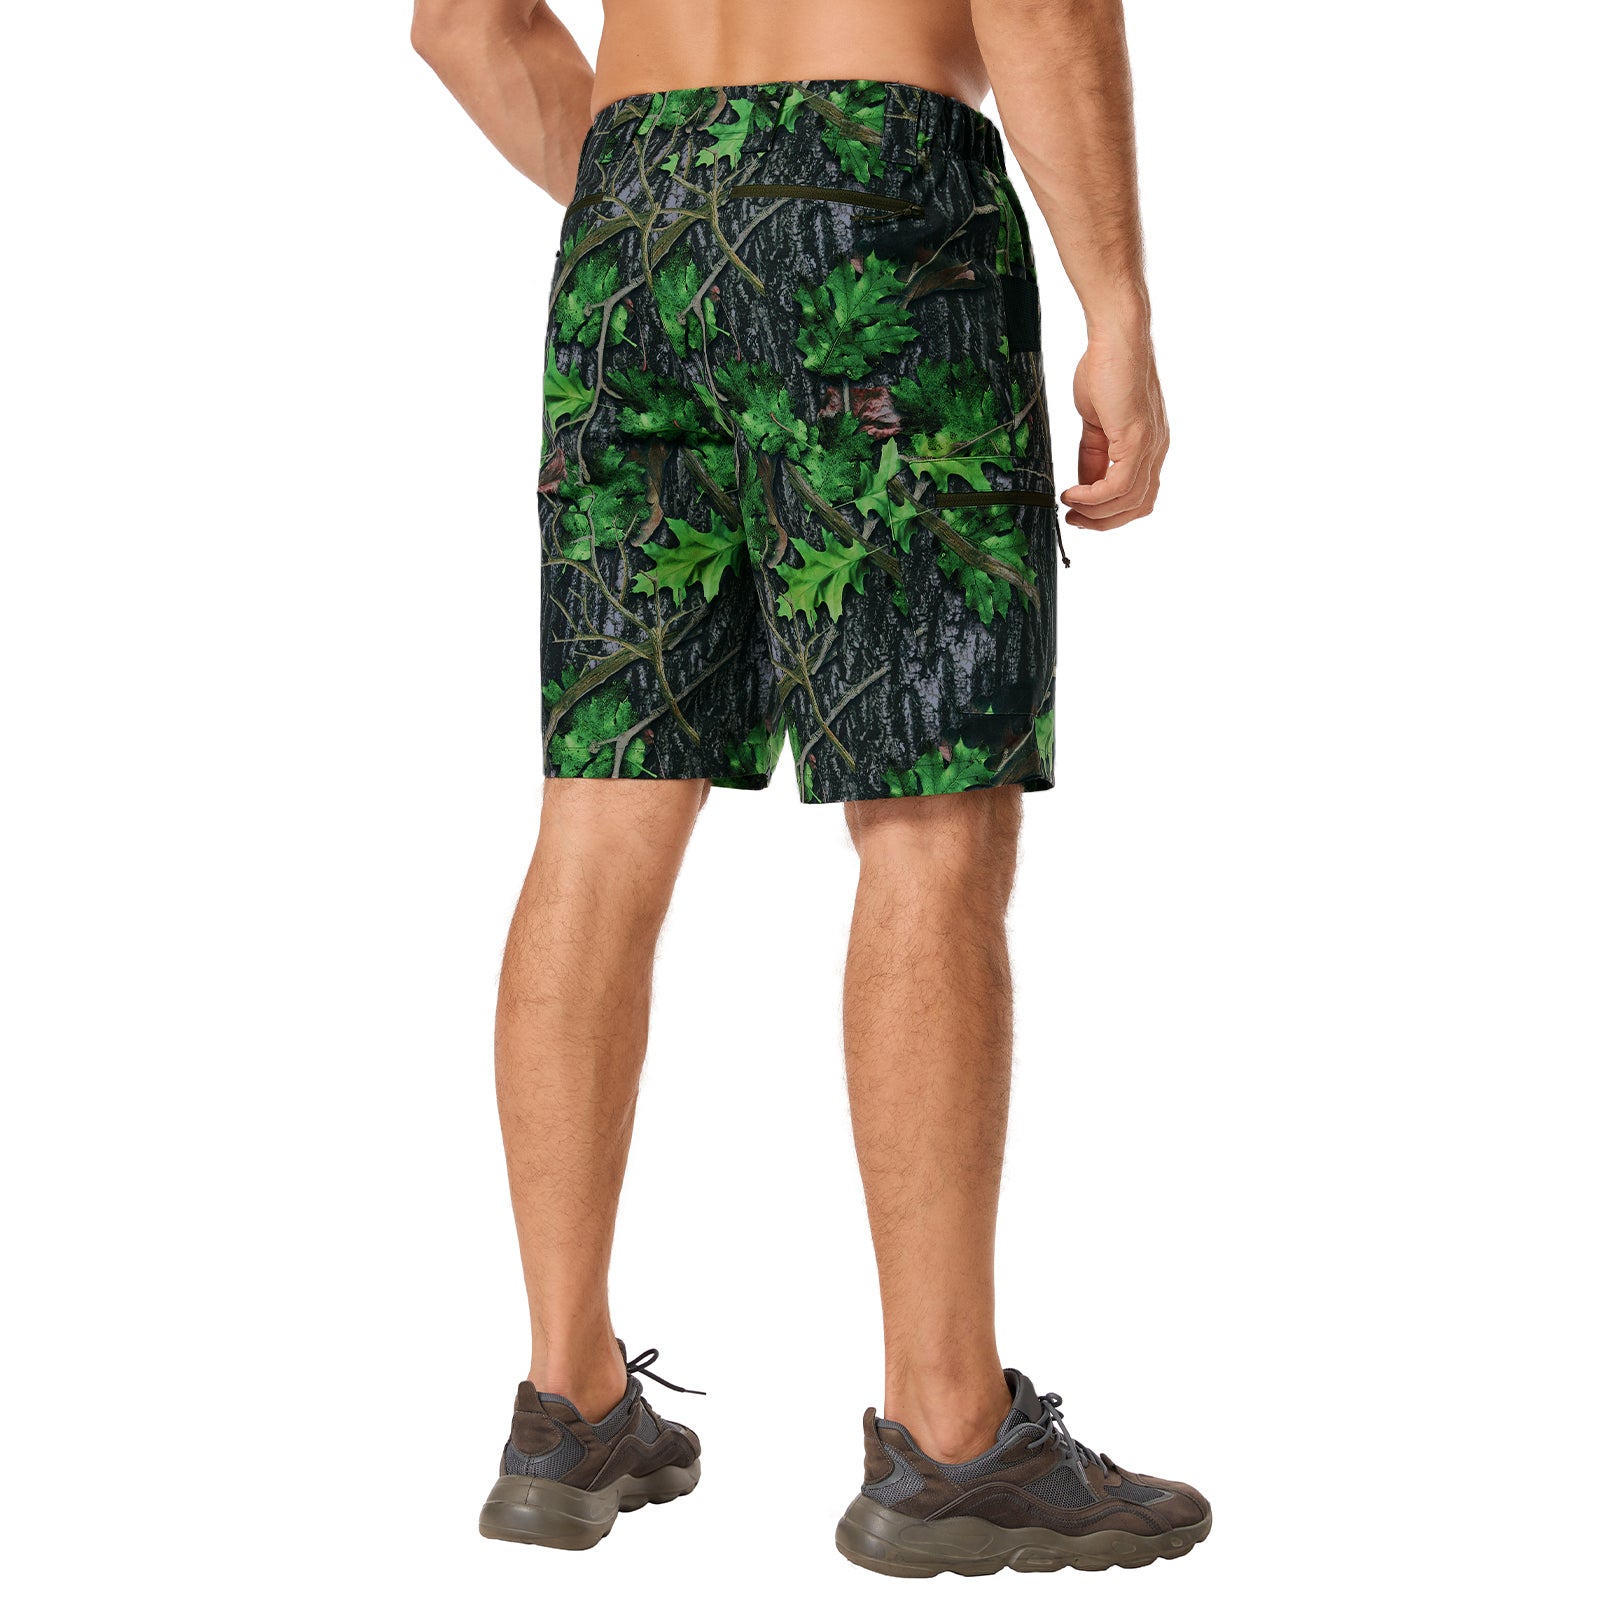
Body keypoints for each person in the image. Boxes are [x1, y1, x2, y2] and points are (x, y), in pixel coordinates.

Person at [412, 0, 1204, 1576]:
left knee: (601, 807)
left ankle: (566, 1400)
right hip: (874, 196)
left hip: (634, 216)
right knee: (926, 820)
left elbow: (459, 23)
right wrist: (1117, 305)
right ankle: (949, 1435)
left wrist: (674, 193)